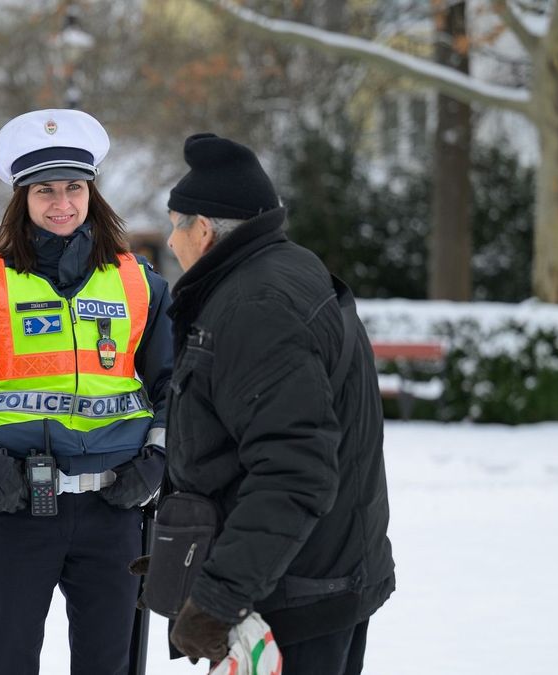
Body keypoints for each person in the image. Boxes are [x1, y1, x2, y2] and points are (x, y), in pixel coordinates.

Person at [0, 108, 174, 674]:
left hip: (115, 510)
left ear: (91, 193)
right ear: (21, 198)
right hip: (16, 507)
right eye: (44, 189)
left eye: (74, 187)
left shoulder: (139, 283)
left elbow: (178, 388)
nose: (61, 203)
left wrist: (158, 463)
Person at [157, 133, 395, 675]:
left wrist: (219, 597)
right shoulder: (279, 271)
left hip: (294, 595)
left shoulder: (255, 307)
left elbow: (294, 470)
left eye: (176, 223)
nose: (171, 241)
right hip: (311, 577)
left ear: (204, 229)